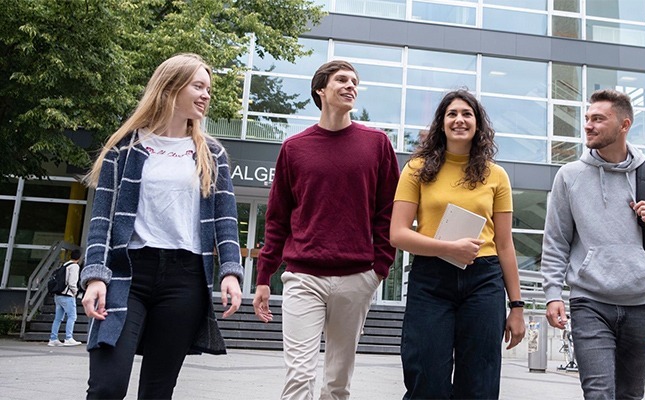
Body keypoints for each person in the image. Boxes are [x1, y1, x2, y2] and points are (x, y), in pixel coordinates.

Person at [80, 53, 243, 399]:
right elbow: (101, 219)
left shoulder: (211, 154)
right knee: (107, 386)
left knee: (157, 391)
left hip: (184, 280)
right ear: (170, 87)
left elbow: (225, 220)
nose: (206, 95)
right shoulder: (124, 147)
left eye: (208, 88)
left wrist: (230, 271)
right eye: (198, 86)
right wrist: (95, 275)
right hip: (128, 276)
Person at [253, 60, 400, 400]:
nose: (351, 86)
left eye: (355, 82)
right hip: (303, 276)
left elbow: (388, 211)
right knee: (299, 375)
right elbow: (277, 217)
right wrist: (264, 276)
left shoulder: (377, 144)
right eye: (342, 80)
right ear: (320, 89)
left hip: (357, 277)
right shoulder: (294, 148)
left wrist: (379, 268)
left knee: (337, 382)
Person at [541, 88, 645, 400]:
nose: (588, 125)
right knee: (599, 394)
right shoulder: (569, 176)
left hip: (642, 303)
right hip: (590, 300)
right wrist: (552, 294)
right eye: (587, 119)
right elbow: (556, 240)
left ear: (624, 125)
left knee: (630, 395)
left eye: (598, 119)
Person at [390, 89, 526, 399]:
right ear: (442, 123)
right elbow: (397, 233)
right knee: (427, 377)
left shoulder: (496, 175)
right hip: (431, 279)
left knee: (479, 380)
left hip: (484, 280)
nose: (459, 120)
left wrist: (516, 307)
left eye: (467, 114)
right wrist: (448, 249)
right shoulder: (417, 169)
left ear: (478, 124)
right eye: (452, 114)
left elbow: (505, 245)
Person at [48, 248, 83, 347]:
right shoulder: (74, 266)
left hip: (58, 295)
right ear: (79, 258)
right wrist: (75, 292)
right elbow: (72, 283)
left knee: (58, 318)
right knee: (72, 316)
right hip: (67, 296)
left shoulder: (65, 264)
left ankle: (53, 339)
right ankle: (68, 338)